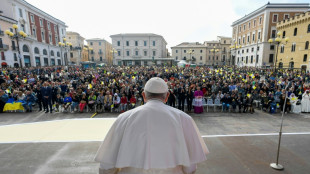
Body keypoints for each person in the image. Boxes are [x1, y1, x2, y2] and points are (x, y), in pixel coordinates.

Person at [95, 77, 209, 174]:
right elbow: (191, 166)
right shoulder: (184, 118)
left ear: (144, 95)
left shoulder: (124, 118)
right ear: (167, 96)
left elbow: (107, 165)